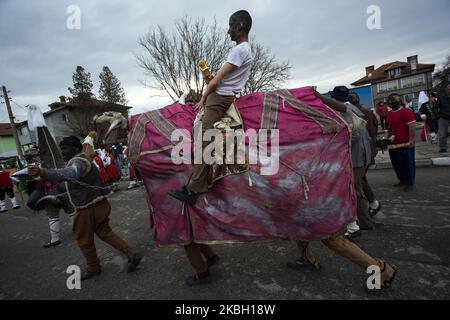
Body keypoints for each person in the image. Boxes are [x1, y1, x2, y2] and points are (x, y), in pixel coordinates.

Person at [168, 10, 253, 206]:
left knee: (203, 138)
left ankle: (194, 189)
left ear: (240, 25)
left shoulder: (239, 50)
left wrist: (204, 98)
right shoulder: (247, 50)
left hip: (218, 98)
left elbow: (216, 82)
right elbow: (225, 79)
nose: (228, 31)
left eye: (231, 25)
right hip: (227, 96)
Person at [28, 136, 142, 280]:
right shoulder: (84, 160)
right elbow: (81, 186)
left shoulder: (78, 162)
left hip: (88, 209)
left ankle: (93, 268)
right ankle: (132, 253)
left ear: (75, 149)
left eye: (65, 149)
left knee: (84, 240)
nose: (62, 152)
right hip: (99, 204)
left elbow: (71, 174)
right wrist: (64, 196)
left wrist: (43, 172)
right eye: (61, 149)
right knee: (105, 233)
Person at [316, 87, 374, 240]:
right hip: (361, 155)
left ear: (335, 99)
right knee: (357, 187)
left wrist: (335, 144)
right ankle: (367, 217)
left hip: (356, 157)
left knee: (352, 189)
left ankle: (357, 225)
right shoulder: (352, 109)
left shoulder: (346, 112)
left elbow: (352, 135)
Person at [349, 93, 382, 218]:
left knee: (360, 180)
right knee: (361, 180)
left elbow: (371, 134)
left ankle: (372, 205)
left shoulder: (364, 113)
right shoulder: (358, 111)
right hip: (364, 152)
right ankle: (372, 204)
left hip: (364, 152)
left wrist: (371, 154)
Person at [386, 93, 417, 191]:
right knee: (397, 164)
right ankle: (402, 180)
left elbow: (412, 126)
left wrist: (411, 140)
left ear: (399, 101)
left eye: (393, 100)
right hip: (393, 144)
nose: (391, 102)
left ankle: (410, 183)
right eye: (389, 100)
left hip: (405, 143)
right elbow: (390, 127)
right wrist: (388, 138)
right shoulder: (389, 114)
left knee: (407, 164)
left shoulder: (406, 111)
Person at [436, 84, 450, 153]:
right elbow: (435, 108)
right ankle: (443, 148)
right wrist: (438, 116)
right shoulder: (441, 98)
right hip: (443, 118)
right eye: (449, 89)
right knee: (442, 134)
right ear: (447, 90)